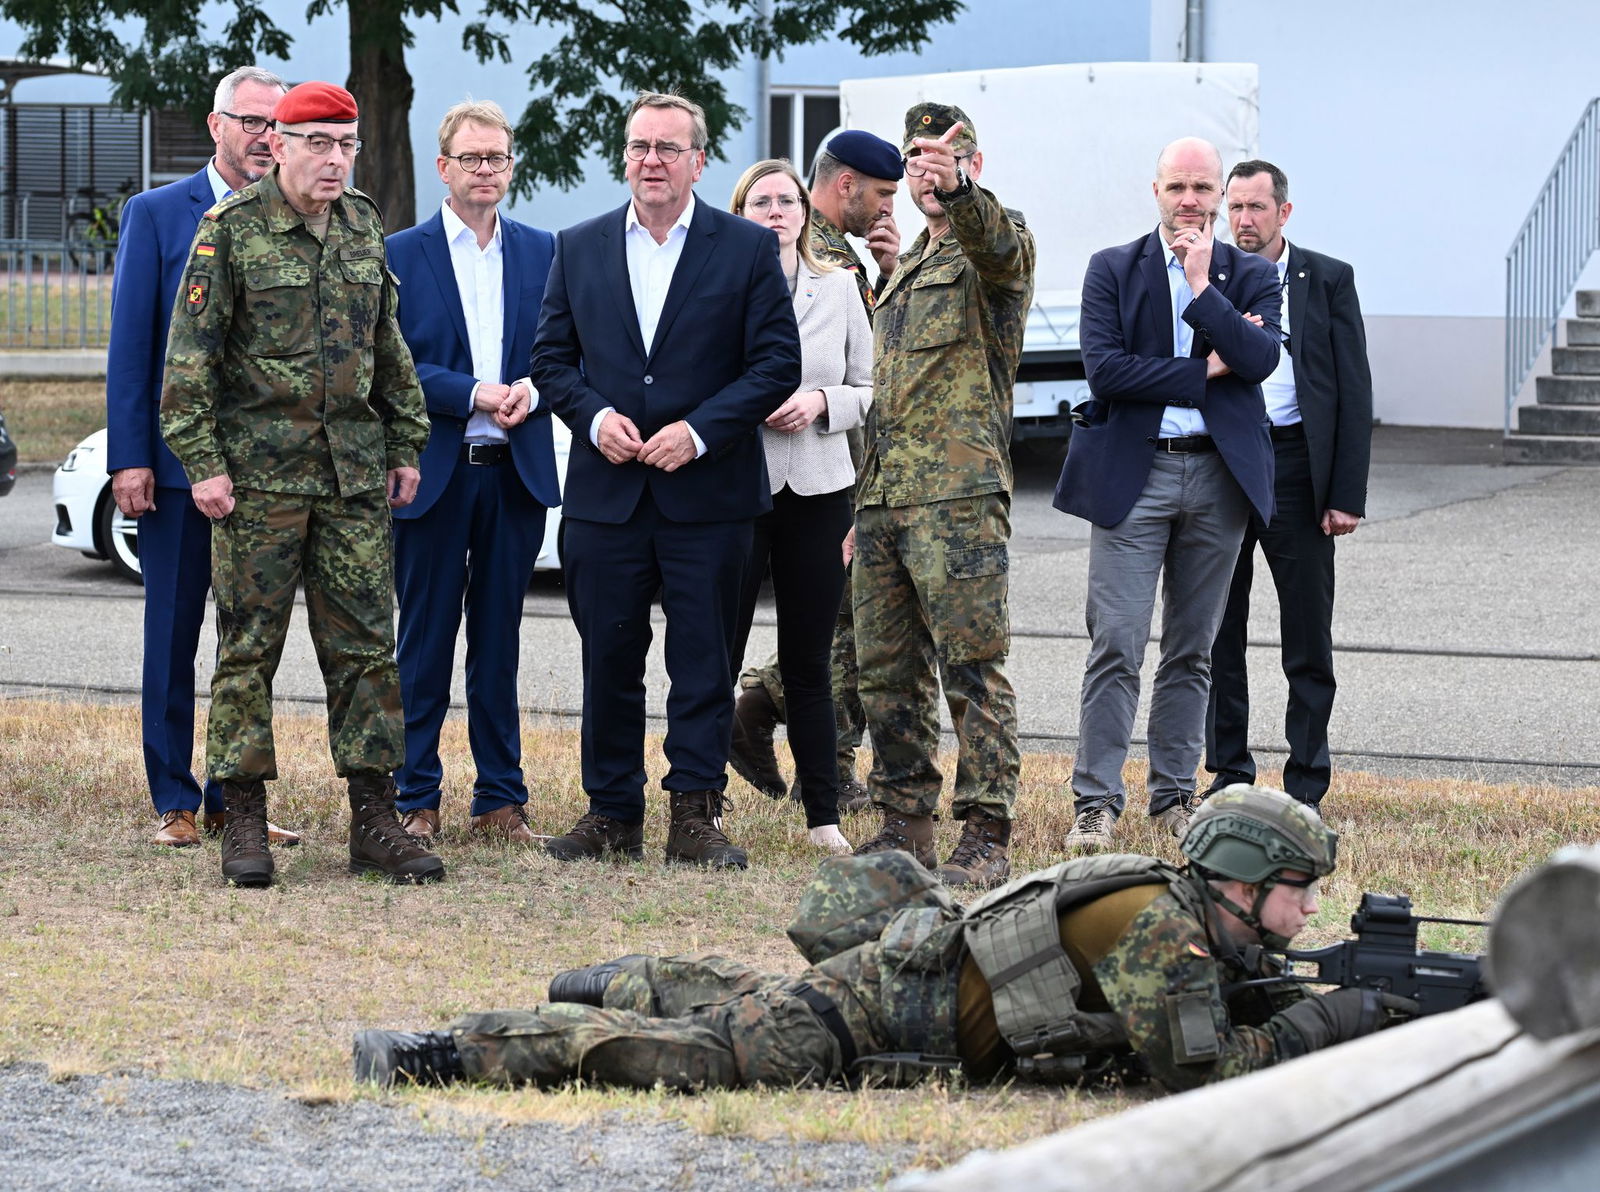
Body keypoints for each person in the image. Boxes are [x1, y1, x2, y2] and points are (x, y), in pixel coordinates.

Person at [353, 786, 1416, 1094]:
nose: (1309, 911)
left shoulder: (1184, 913)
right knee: (692, 1055)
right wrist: (1335, 1015)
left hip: (897, 981)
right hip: (867, 1022)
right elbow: (1199, 1072)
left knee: (735, 997)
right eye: (1297, 890)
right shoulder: (1160, 929)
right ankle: (447, 1049)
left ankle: (630, 974)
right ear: (1236, 882)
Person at [159, 81, 442, 888]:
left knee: (365, 652)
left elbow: (388, 347)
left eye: (346, 144)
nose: (335, 159)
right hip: (258, 483)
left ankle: (374, 819)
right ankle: (241, 816)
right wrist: (203, 464)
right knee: (248, 650)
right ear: (276, 144)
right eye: (317, 143)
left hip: (351, 477)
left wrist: (406, 439)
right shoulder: (230, 233)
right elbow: (188, 367)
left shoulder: (360, 224)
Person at [528, 92, 801, 871]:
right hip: (607, 497)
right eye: (640, 146)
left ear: (699, 161)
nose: (652, 160)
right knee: (608, 659)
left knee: (704, 664)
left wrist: (701, 430)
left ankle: (694, 814)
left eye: (668, 148)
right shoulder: (576, 246)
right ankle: (612, 812)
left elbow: (776, 362)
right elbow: (551, 360)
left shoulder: (746, 248)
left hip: (708, 497)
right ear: (625, 157)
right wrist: (592, 416)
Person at [1054, 137, 1281, 852]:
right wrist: (1202, 372)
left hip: (1219, 478)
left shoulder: (1250, 275)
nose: (1190, 200)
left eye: (1202, 188)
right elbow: (1106, 373)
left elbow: (1260, 359)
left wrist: (1205, 289)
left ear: (1219, 194)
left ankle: (1176, 797)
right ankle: (1095, 803)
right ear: (1155, 189)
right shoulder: (1112, 269)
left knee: (1193, 648)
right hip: (1136, 473)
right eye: (1177, 187)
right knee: (1116, 642)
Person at [104, 65, 299, 849]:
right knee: (174, 635)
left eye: (275, 124)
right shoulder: (157, 215)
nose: (264, 136)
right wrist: (130, 457)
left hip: (269, 473)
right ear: (215, 125)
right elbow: (132, 345)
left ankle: (232, 797)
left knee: (247, 645)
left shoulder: (294, 214)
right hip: (181, 471)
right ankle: (174, 801)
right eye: (250, 121)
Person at [847, 104, 1035, 888]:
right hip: (885, 495)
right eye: (915, 160)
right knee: (887, 669)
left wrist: (956, 190)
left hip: (958, 496)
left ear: (972, 168)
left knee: (972, 664)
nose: (925, 173)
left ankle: (987, 828)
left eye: (944, 159)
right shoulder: (906, 265)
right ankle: (905, 819)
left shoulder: (996, 245)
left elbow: (995, 244)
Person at [385, 100, 560, 844]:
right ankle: (414, 795)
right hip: (432, 474)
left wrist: (534, 390)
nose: (485, 170)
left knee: (499, 643)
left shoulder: (546, 251)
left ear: (511, 167)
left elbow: (568, 354)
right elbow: (386, 366)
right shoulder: (399, 253)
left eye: (497, 158)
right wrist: (472, 393)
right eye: (471, 158)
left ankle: (500, 800)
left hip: (514, 473)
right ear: (443, 167)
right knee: (423, 642)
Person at [730, 129, 903, 814]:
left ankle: (822, 781)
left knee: (827, 630)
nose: (777, 213)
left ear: (806, 207)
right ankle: (747, 763)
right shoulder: (722, 281)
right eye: (762, 202)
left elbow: (870, 380)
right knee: (833, 633)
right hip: (741, 478)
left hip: (823, 477)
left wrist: (823, 402)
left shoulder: (839, 281)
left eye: (786, 201)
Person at [1205, 160, 1373, 808]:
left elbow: (1353, 389)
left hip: (1298, 466)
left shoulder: (1327, 279)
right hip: (1226, 460)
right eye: (1236, 207)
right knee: (1220, 624)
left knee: (1307, 630)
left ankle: (1307, 780)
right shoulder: (1208, 274)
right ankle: (1229, 771)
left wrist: (1345, 494)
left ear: (1284, 212)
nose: (1245, 221)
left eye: (1257, 208)